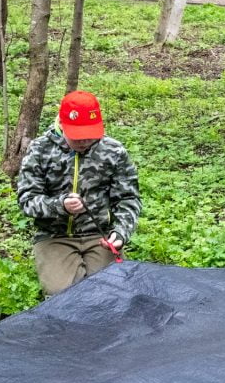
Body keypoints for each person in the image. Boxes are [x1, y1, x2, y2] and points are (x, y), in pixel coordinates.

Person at [16, 90, 141, 296]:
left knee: (112, 292)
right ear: (62, 124)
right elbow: (27, 200)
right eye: (77, 136)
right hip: (54, 236)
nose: (84, 141)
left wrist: (120, 233)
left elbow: (128, 198)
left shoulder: (113, 151)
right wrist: (61, 205)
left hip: (99, 235)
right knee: (64, 295)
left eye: (90, 135)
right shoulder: (39, 149)